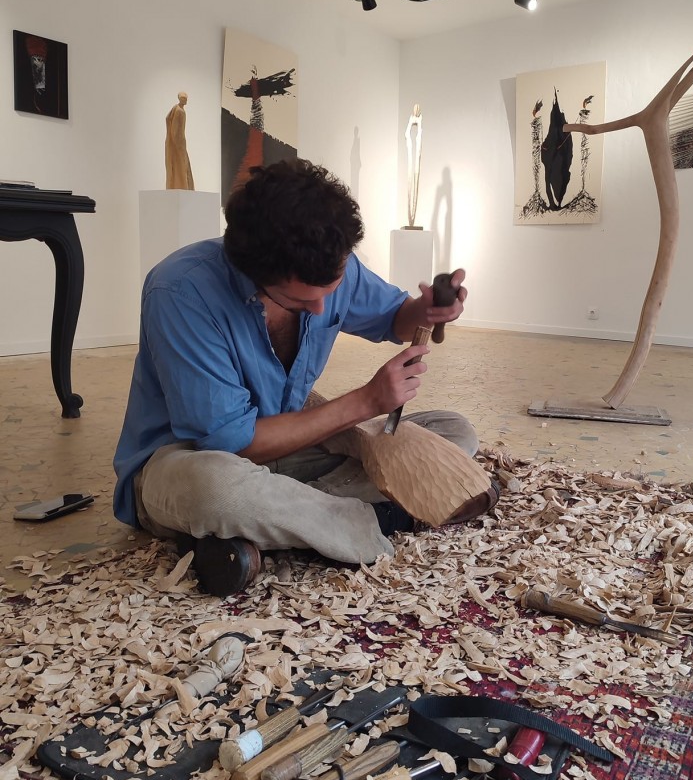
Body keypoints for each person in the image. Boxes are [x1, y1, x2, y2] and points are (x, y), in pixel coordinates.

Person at [113, 159, 484, 596]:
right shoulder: (180, 291)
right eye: (301, 301)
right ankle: (377, 519)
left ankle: (269, 528)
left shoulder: (331, 261)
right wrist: (366, 401)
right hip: (187, 459)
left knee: (452, 431)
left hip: (290, 447)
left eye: (332, 290)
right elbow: (232, 443)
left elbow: (394, 316)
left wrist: (427, 310)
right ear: (255, 273)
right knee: (217, 492)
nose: (322, 309)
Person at [165, 91, 195, 190]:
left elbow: (167, 118)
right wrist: (178, 143)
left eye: (186, 99)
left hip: (177, 142)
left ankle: (178, 185)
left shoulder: (176, 108)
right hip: (179, 142)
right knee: (182, 165)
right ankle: (183, 186)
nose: (186, 101)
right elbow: (175, 129)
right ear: (180, 99)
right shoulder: (180, 111)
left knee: (178, 165)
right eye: (184, 99)